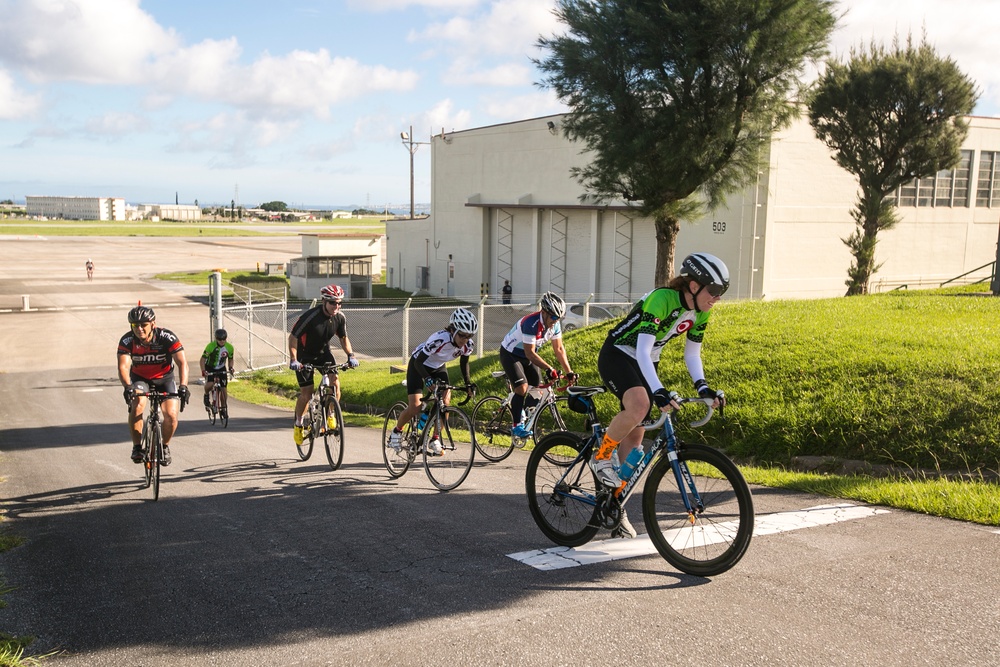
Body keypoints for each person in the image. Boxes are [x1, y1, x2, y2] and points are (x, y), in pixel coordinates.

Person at [592, 252, 730, 539]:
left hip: (648, 358)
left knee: (636, 436)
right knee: (641, 404)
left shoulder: (702, 311)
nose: (717, 298)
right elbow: (640, 350)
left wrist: (703, 387)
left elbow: (692, 353)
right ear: (693, 285)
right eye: (714, 291)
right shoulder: (661, 298)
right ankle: (601, 456)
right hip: (619, 353)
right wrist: (657, 392)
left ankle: (614, 508)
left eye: (722, 293)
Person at [386, 308, 478, 454]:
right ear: (453, 330)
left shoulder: (468, 345)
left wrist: (468, 383)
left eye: (469, 336)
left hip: (438, 366)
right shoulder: (439, 339)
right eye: (462, 335)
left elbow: (464, 363)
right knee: (415, 407)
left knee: (445, 402)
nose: (465, 340)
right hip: (419, 365)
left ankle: (435, 438)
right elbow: (418, 363)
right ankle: (396, 432)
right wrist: (427, 379)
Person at [117, 305, 189, 465]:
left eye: (144, 325)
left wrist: (183, 386)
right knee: (137, 405)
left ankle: (164, 446)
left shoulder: (166, 337)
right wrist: (128, 387)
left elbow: (182, 362)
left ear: (153, 324)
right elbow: (123, 366)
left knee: (170, 415)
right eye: (135, 325)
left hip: (165, 379)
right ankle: (137, 447)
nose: (139, 329)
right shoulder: (127, 340)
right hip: (140, 379)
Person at [498, 291, 577, 438]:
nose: (555, 320)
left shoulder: (555, 325)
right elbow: (530, 353)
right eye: (553, 317)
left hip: (527, 356)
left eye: (558, 318)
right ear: (544, 312)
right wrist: (549, 368)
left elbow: (559, 349)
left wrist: (569, 371)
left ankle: (522, 411)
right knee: (522, 388)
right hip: (511, 354)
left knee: (537, 389)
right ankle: (516, 425)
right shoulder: (531, 323)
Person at [288, 284, 359, 445]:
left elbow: (343, 338)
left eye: (339, 303)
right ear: (324, 301)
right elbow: (293, 338)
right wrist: (294, 360)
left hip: (323, 354)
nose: (337, 306)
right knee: (307, 394)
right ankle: (299, 424)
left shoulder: (340, 317)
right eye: (333, 303)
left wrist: (351, 355)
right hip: (304, 356)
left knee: (335, 383)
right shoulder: (310, 317)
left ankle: (331, 414)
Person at [201, 328, 235, 418]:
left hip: (221, 368)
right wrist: (203, 370)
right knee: (210, 384)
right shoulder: (210, 346)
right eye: (220, 339)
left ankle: (223, 408)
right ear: (216, 339)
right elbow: (202, 359)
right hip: (210, 367)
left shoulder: (229, 347)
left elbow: (230, 359)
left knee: (224, 389)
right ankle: (206, 395)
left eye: (224, 339)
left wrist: (231, 367)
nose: (222, 341)